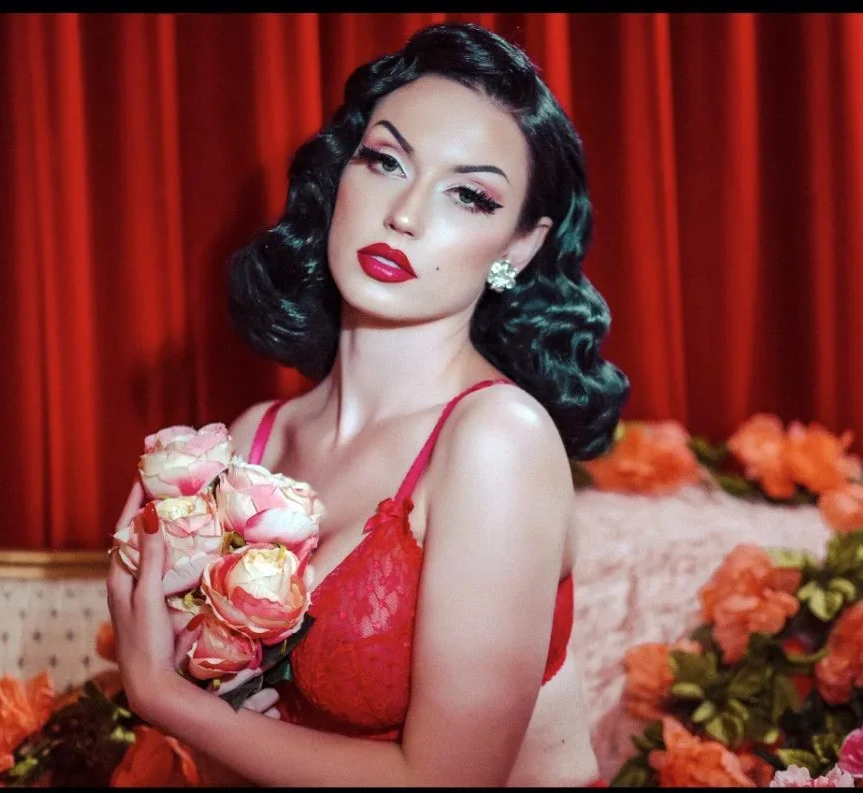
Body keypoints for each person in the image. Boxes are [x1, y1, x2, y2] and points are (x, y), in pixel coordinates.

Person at [106, 21, 629, 787]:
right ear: (340, 175)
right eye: (385, 161)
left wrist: (163, 694)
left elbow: (448, 781)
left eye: (469, 195)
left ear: (518, 248)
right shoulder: (254, 437)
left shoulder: (497, 440)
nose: (406, 214)